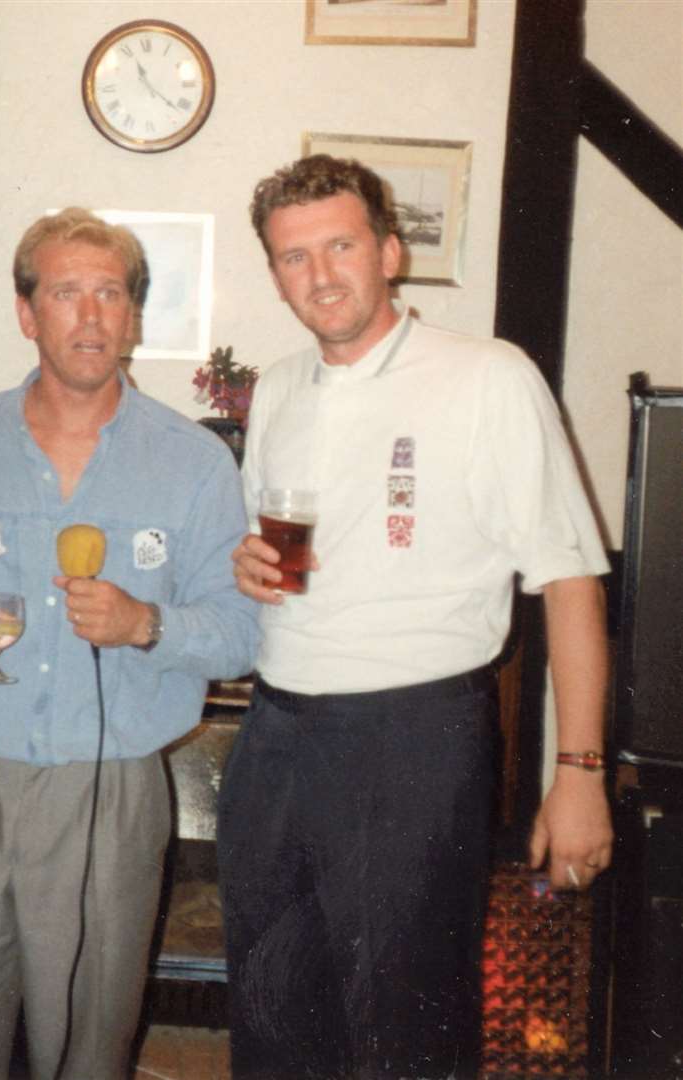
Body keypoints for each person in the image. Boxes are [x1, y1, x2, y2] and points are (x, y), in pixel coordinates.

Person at [218, 154, 614, 1080]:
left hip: (412, 738)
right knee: (275, 1023)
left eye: (341, 245)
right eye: (293, 256)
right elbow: (286, 555)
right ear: (274, 274)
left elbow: (570, 581)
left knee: (405, 1034)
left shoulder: (487, 377)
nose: (320, 274)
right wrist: (248, 565)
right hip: (277, 736)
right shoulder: (275, 388)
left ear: (391, 251)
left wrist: (581, 772)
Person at [0, 208, 259, 1080]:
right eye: (65, 294)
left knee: (87, 1051)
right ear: (27, 314)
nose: (90, 317)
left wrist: (147, 625)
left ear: (134, 317)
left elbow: (243, 634)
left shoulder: (195, 462)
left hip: (112, 795)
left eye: (110, 295)